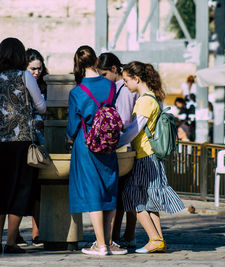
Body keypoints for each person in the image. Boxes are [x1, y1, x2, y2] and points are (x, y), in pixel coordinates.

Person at [0, 37, 46, 254]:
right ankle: (11, 241)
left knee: (0, 189)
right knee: (20, 189)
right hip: (21, 139)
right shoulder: (25, 76)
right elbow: (40, 105)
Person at [118, 61, 185, 254]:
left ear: (136, 79)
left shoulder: (144, 101)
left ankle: (155, 239)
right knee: (151, 201)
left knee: (135, 200)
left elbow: (135, 129)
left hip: (144, 157)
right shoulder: (151, 98)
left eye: (126, 80)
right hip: (150, 157)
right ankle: (158, 241)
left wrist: (115, 143)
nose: (124, 84)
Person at [67, 45, 127, 256]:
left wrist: (68, 138)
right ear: (95, 61)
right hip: (109, 143)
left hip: (87, 144)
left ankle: (101, 245)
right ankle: (109, 242)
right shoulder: (110, 86)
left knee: (93, 192)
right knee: (109, 190)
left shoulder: (77, 92)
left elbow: (73, 126)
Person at [97, 52, 137, 248]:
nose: (102, 78)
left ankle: (122, 235)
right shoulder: (115, 88)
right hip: (121, 143)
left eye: (104, 74)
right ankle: (118, 235)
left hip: (124, 144)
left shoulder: (124, 89)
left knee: (124, 195)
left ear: (114, 70)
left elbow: (126, 120)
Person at [15, 49, 48, 248]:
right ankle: (15, 231)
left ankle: (37, 231)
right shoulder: (20, 84)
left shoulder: (46, 84)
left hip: (41, 140)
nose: (36, 72)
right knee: (21, 186)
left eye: (39, 68)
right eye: (33, 69)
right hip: (24, 138)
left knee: (38, 187)